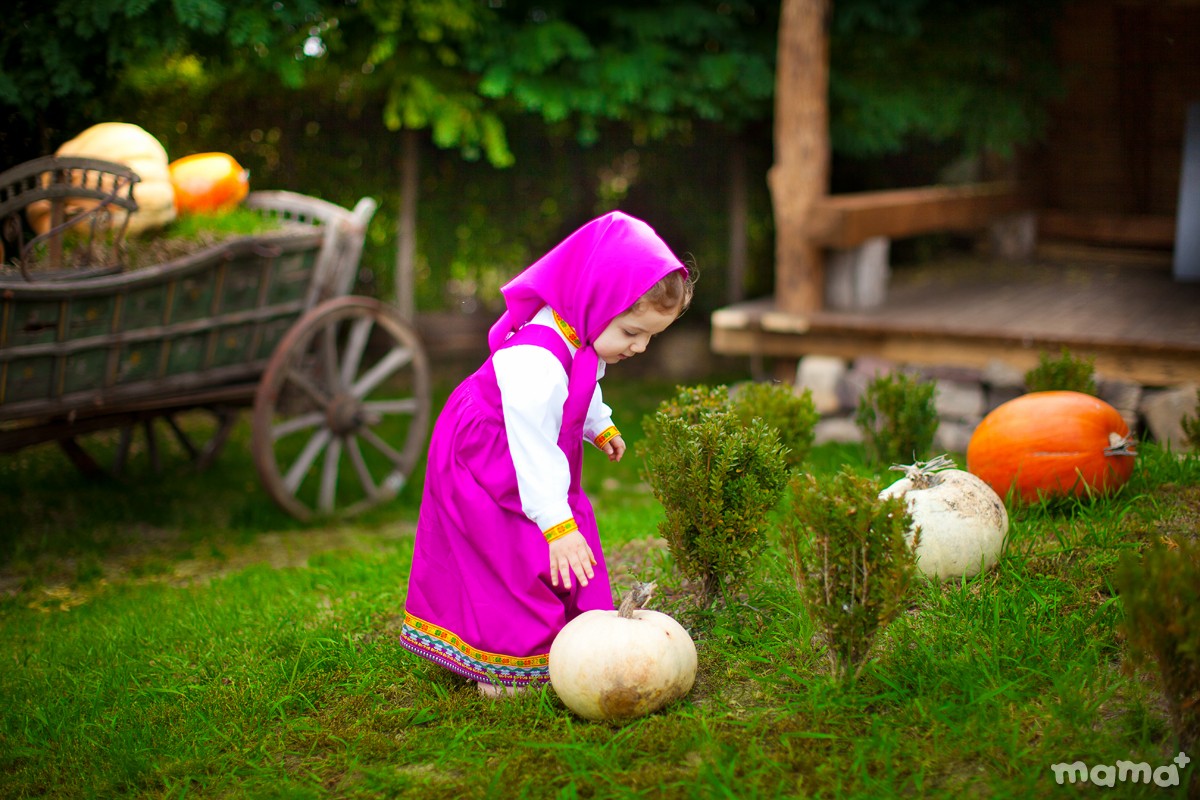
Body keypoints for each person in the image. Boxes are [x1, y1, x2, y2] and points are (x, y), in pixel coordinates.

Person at [399, 211, 694, 696]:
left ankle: (565, 641)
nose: (639, 347)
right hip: (489, 457)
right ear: (594, 305)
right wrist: (557, 526)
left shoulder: (581, 335)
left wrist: (599, 425)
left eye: (649, 338)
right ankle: (505, 666)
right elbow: (533, 449)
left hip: (536, 461)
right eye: (631, 333)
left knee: (561, 534)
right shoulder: (535, 362)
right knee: (511, 549)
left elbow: (585, 380)